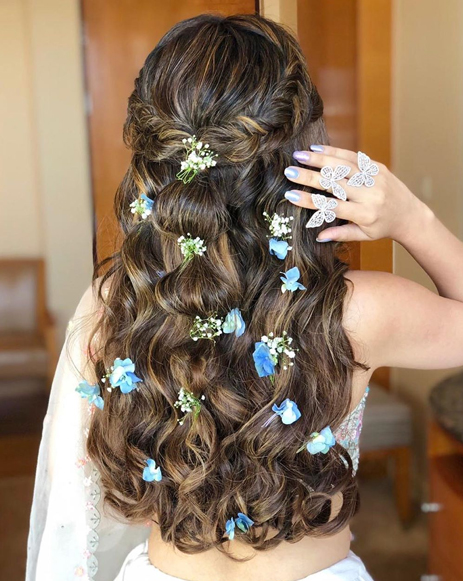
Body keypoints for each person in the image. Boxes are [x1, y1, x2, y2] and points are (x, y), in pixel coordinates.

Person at [26, 12, 463, 581]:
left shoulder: (116, 304)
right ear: (303, 151)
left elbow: (74, 483)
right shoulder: (354, 311)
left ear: (157, 161)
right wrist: (413, 219)